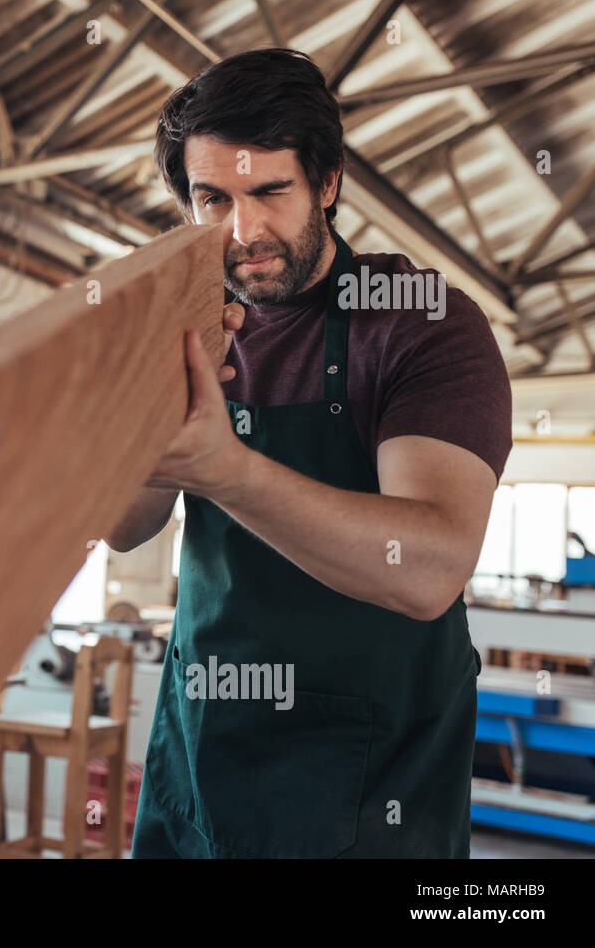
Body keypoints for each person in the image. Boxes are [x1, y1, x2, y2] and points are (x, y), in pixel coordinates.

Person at [106, 49, 512, 858]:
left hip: (371, 795)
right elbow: (121, 527)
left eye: (270, 193)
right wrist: (152, 416)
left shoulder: (419, 322)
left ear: (327, 184)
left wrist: (226, 467)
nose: (243, 231)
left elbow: (428, 565)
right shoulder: (188, 325)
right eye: (212, 198)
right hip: (202, 756)